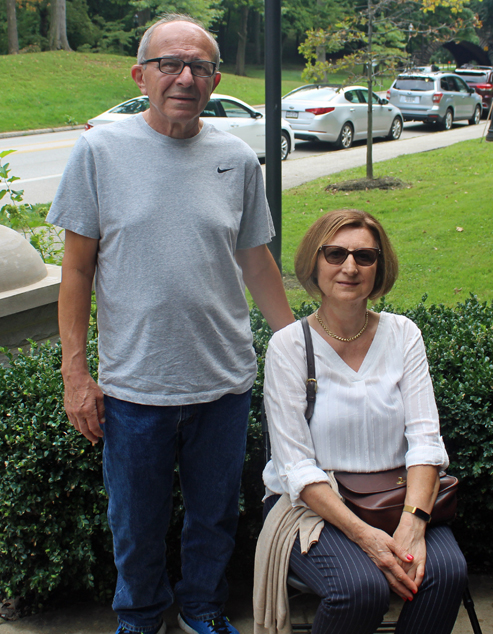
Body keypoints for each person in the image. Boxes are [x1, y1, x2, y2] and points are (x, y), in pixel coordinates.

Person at [47, 14, 294, 634]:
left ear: (213, 78)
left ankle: (202, 611)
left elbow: (256, 259)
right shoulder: (99, 152)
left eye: (200, 67)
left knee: (213, 515)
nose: (185, 78)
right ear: (141, 74)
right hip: (135, 389)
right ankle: (141, 615)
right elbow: (75, 271)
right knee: (136, 520)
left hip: (225, 384)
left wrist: (296, 346)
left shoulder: (237, 158)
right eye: (170, 65)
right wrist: (75, 374)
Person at [255, 209, 467, 634]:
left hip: (395, 499)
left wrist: (413, 523)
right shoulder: (289, 346)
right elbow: (295, 466)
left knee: (446, 574)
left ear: (379, 267)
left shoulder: (404, 334)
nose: (349, 267)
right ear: (315, 264)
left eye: (364, 257)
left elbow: (426, 441)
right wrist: (367, 538)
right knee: (360, 587)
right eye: (335, 254)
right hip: (315, 506)